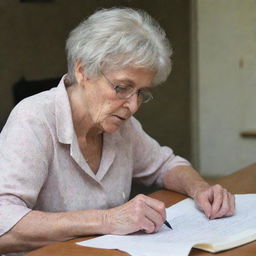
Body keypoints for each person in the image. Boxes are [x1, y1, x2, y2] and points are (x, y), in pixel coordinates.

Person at [0, 7, 235, 255]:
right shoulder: (34, 120)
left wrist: (200, 188)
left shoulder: (121, 126)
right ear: (82, 71)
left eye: (141, 93)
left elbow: (166, 164)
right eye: (122, 87)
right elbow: (3, 221)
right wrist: (106, 220)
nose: (133, 106)